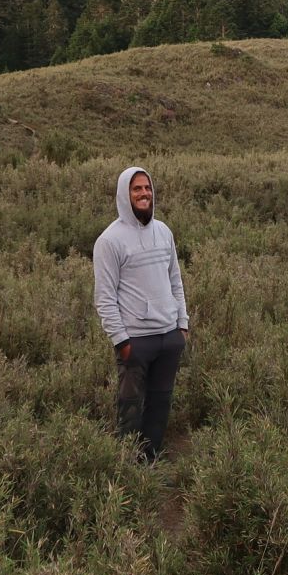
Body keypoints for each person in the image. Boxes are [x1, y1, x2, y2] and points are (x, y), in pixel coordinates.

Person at [92, 166, 190, 460]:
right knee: (131, 407)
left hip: (168, 336)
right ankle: (127, 469)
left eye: (147, 188)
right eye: (137, 189)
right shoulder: (109, 241)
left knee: (160, 404)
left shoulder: (163, 232)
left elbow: (176, 280)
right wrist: (122, 342)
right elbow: (104, 298)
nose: (144, 194)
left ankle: (151, 462)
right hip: (136, 341)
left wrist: (181, 326)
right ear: (125, 194)